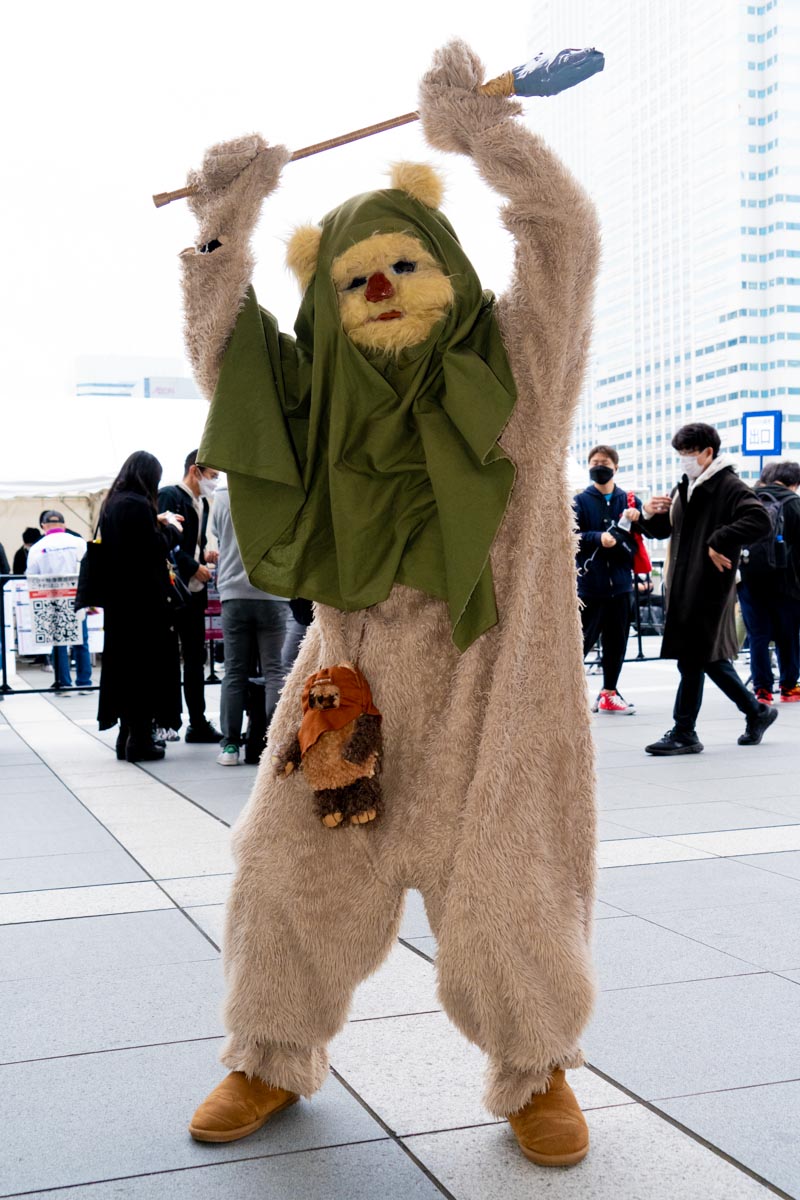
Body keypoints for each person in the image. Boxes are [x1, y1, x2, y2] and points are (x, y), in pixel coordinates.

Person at [176, 42, 601, 1168]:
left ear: (453, 279)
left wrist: (482, 135)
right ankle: (266, 1053)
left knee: (508, 887)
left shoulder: (520, 373)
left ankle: (534, 1069)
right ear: (328, 301)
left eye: (406, 264)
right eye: (356, 275)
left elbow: (560, 238)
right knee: (284, 873)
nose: (380, 285)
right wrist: (225, 226)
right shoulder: (311, 406)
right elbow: (228, 359)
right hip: (349, 684)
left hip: (492, 698)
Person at [636, 423, 777, 754]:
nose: (684, 460)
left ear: (708, 453)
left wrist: (719, 539)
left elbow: (760, 520)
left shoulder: (728, 485)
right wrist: (646, 513)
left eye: (688, 453)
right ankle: (756, 712)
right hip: (684, 583)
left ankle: (685, 731)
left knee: (693, 657)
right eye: (681, 454)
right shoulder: (687, 485)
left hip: (710, 585)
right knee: (705, 658)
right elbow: (663, 531)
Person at [98, 451, 183, 762]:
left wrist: (155, 520)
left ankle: (127, 736)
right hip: (144, 604)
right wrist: (172, 531)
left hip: (120, 603)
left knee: (126, 669)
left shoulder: (114, 502)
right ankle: (141, 741)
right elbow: (150, 549)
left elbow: (129, 542)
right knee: (145, 671)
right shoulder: (135, 504)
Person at [211, 483, 288, 766]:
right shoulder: (278, 489)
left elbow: (217, 535)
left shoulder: (221, 495)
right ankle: (272, 744)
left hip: (234, 591)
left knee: (234, 672)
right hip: (273, 592)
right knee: (274, 672)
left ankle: (230, 746)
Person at [158, 451, 222, 743]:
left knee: (196, 657)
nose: (214, 482)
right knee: (170, 655)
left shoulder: (202, 503)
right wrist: (193, 565)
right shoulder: (170, 496)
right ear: (195, 470)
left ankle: (197, 720)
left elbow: (189, 543)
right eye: (212, 476)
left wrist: (202, 555)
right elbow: (167, 543)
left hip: (193, 591)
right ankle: (168, 720)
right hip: (174, 589)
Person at [574, 445, 642, 713]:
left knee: (617, 641)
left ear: (615, 467)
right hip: (591, 584)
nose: (598, 466)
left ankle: (609, 692)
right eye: (593, 462)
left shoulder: (628, 501)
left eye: (603, 462)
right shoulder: (580, 501)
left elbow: (640, 537)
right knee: (582, 641)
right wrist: (597, 537)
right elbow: (572, 537)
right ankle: (567, 694)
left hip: (621, 583)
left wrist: (639, 518)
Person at [738, 460, 800, 703]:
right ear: (794, 483)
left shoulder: (748, 499)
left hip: (750, 579)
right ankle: (788, 687)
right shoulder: (794, 503)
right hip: (786, 581)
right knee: (788, 634)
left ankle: (762, 690)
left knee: (758, 635)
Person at [26, 511, 92, 692]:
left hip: (52, 598)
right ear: (64, 524)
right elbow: (91, 568)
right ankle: (84, 681)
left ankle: (63, 681)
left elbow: (31, 575)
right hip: (78, 596)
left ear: (43, 526)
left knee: (59, 642)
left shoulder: (38, 547)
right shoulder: (78, 542)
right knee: (81, 640)